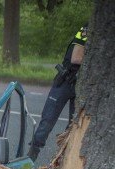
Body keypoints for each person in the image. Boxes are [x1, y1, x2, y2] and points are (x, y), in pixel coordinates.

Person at [28, 24, 88, 161]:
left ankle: (62, 161)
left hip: (82, 84)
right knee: (47, 121)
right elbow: (75, 58)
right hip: (65, 81)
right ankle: (30, 158)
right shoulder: (87, 29)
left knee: (74, 125)